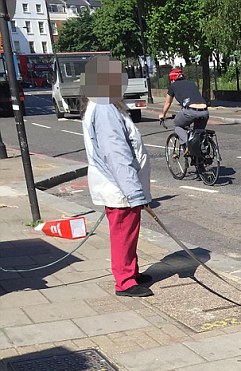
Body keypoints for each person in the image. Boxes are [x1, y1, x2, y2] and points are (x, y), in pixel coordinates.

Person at [80, 56, 153, 298]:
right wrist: (134, 192)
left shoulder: (104, 105)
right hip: (119, 186)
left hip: (119, 184)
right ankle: (124, 280)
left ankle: (130, 271)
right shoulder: (104, 108)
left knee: (128, 232)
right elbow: (116, 154)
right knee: (123, 232)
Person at [158, 68, 209, 151]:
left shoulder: (173, 86)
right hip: (204, 111)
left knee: (177, 124)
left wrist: (163, 114)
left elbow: (168, 103)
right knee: (198, 133)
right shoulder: (192, 83)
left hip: (190, 111)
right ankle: (200, 158)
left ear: (172, 79)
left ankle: (187, 145)